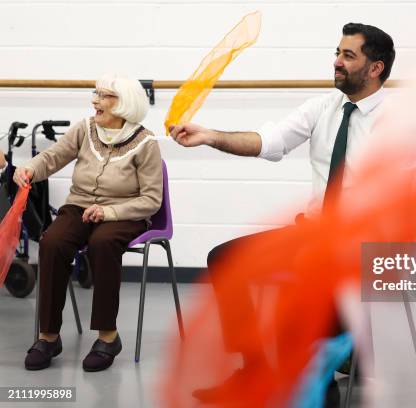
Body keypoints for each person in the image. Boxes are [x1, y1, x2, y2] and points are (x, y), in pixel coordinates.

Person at [170, 22, 395, 404]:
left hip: (365, 245)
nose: (336, 62)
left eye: (348, 55)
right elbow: (269, 142)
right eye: (337, 52)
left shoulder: (396, 121)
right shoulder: (324, 107)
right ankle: (252, 370)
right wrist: (210, 136)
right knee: (226, 258)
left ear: (375, 68)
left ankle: (322, 381)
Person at [15, 74, 163, 372]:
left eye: (104, 96)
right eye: (95, 94)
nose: (95, 101)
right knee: (53, 242)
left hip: (125, 212)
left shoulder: (146, 142)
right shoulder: (85, 129)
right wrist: (30, 168)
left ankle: (108, 336)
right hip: (79, 206)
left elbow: (151, 200)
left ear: (124, 104)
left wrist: (108, 213)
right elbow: (54, 156)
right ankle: (48, 336)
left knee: (103, 242)